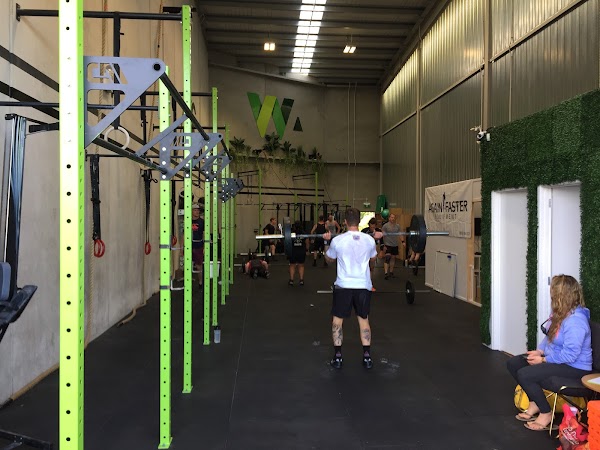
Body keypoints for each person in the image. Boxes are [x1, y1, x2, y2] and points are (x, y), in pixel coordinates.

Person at [506, 275, 592, 431]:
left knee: (526, 374)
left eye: (554, 292)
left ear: (562, 295)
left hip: (575, 367)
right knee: (514, 363)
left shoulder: (576, 321)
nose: (551, 295)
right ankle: (534, 403)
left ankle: (546, 413)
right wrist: (539, 351)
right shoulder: (560, 314)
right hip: (559, 360)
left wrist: (543, 360)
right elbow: (549, 337)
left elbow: (570, 355)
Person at [324, 208, 377, 370]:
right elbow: (373, 259)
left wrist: (326, 242)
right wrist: (377, 240)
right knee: (363, 319)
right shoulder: (369, 240)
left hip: (343, 286)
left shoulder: (338, 240)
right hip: (363, 286)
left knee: (337, 321)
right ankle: (367, 357)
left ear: (345, 222)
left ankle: (338, 357)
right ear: (359, 221)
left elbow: (329, 260)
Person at [381, 213, 405, 279]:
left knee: (393, 258)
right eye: (391, 217)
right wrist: (383, 245)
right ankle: (386, 273)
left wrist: (403, 242)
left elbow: (400, 234)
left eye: (394, 217)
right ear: (389, 218)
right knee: (387, 258)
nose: (393, 219)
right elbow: (382, 235)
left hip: (395, 244)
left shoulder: (397, 226)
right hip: (387, 244)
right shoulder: (385, 226)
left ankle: (391, 272)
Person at [361, 217, 382, 292]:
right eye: (371, 226)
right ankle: (363, 283)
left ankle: (369, 284)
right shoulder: (364, 231)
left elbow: (381, 241)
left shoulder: (378, 231)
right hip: (365, 251)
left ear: (375, 225)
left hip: (373, 250)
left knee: (371, 268)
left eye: (374, 226)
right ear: (369, 225)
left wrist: (380, 251)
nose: (372, 227)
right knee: (364, 267)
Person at [288, 221, 308, 286]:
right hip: (301, 251)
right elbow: (307, 242)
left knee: (292, 265)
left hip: (293, 251)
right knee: (301, 265)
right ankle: (301, 280)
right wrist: (307, 249)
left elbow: (288, 242)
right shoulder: (304, 233)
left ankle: (291, 280)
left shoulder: (291, 233)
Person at [191, 204, 204, 277]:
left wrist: (205, 246)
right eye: (195, 210)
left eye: (198, 210)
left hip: (199, 245)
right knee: (187, 264)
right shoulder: (188, 221)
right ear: (192, 211)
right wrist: (182, 247)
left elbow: (204, 234)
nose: (197, 212)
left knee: (199, 265)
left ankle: (200, 282)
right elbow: (184, 234)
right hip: (190, 245)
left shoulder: (202, 221)